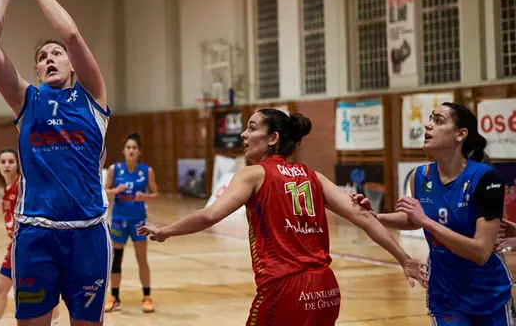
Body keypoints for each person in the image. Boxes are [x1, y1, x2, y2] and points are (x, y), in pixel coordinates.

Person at [138, 109, 428, 326]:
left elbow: (210, 214)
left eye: (252, 128)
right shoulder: (315, 177)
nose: (243, 134)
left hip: (285, 289)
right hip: (326, 290)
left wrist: (166, 231)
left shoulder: (253, 174)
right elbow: (364, 217)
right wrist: (404, 258)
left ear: (273, 138)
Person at [0, 0, 111, 326]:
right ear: (37, 71)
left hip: (88, 233)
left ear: (72, 62)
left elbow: (70, 32)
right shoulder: (27, 100)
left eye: (56, 54)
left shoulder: (93, 97)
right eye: (42, 57)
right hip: (36, 233)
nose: (50, 58)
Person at [353, 102, 515, 325]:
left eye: (438, 121)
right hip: (445, 296)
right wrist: (375, 217)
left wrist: (425, 222)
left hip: (489, 295)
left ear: (460, 135)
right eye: (430, 119)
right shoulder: (420, 176)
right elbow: (413, 219)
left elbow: (480, 252)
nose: (428, 125)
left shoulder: (487, 180)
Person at [0, 149, 60, 326]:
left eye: (11, 161)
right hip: (15, 247)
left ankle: (56, 322)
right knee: (1, 288)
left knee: (42, 289)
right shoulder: (5, 189)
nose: (7, 165)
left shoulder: (22, 184)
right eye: (3, 162)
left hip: (31, 246)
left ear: (18, 165)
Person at [103, 133, 159, 314]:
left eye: (134, 148)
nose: (131, 151)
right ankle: (115, 297)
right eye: (128, 148)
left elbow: (156, 194)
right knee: (116, 260)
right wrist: (115, 190)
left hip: (138, 221)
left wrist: (146, 197)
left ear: (139, 151)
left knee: (141, 259)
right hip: (119, 220)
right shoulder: (114, 169)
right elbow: (104, 192)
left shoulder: (146, 171)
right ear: (124, 150)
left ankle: (147, 296)